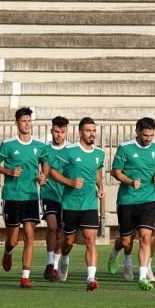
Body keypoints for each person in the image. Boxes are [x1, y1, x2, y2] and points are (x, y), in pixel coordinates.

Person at [0, 107, 47, 288]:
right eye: (23, 121)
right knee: (14, 239)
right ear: (17, 123)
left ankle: (25, 277)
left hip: (31, 196)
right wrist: (9, 171)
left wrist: (42, 176)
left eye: (29, 121)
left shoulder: (39, 145)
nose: (27, 124)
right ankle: (8, 251)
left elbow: (45, 167)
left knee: (30, 236)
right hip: (12, 196)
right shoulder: (8, 144)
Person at [49, 117, 106, 290]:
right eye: (88, 130)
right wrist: (70, 183)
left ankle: (91, 278)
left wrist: (100, 186)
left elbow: (97, 173)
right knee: (68, 240)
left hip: (89, 204)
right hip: (70, 204)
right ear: (80, 132)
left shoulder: (99, 153)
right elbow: (52, 171)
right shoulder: (69, 151)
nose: (92, 134)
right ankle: (64, 259)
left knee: (90, 239)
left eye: (94, 130)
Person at [108, 117, 155, 291]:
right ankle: (116, 253)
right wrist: (130, 182)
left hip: (149, 199)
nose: (148, 138)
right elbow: (115, 171)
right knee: (126, 241)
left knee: (146, 237)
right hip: (127, 200)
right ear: (137, 131)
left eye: (151, 135)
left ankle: (142, 277)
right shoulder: (125, 148)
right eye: (145, 135)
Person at [38, 116, 70, 281]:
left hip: (66, 196)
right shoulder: (44, 149)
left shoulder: (71, 150)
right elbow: (41, 170)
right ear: (51, 131)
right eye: (56, 131)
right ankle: (50, 263)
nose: (59, 135)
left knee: (61, 232)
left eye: (62, 132)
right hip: (48, 194)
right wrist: (41, 177)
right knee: (51, 226)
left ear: (66, 132)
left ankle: (58, 263)